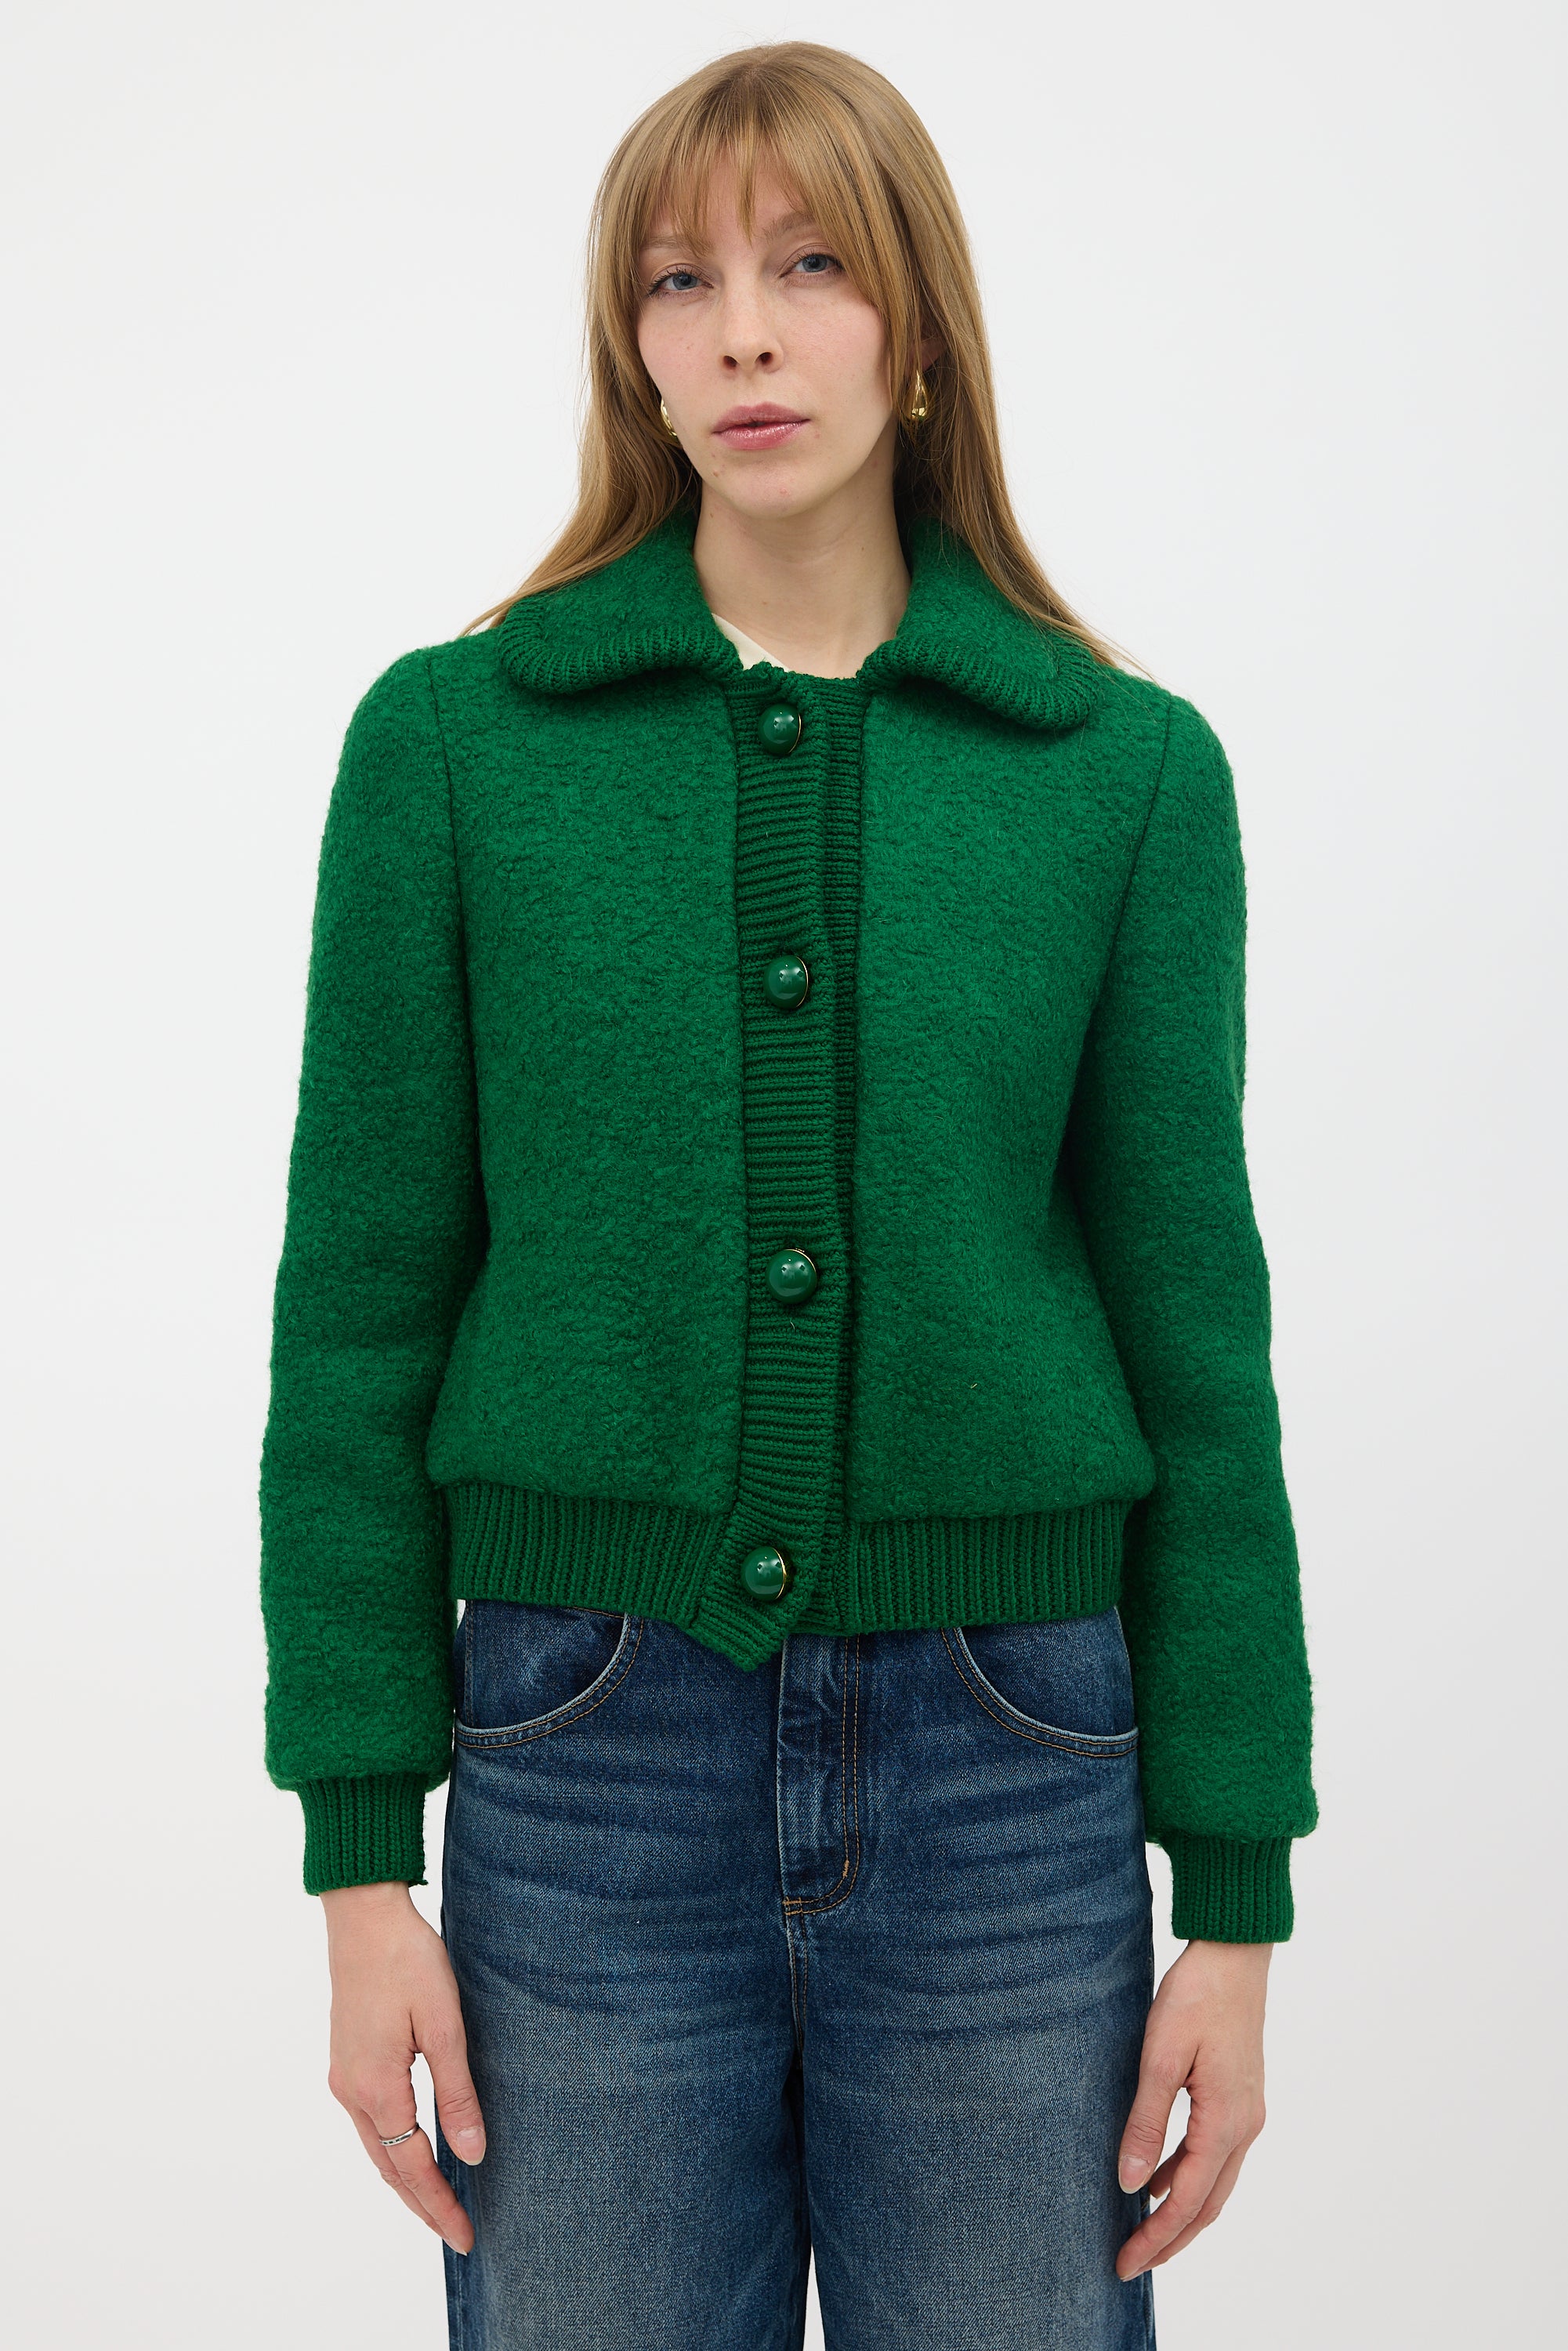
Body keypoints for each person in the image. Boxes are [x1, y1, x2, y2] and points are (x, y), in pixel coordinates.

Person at [259, 39, 1316, 2349]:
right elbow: (355, 1320)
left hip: (1017, 1771)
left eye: (811, 265)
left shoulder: (1118, 774)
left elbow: (1195, 1343)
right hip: (582, 1759)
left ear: (917, 329)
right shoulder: (453, 749)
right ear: (628, 351)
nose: (742, 332)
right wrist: (360, 1858)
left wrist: (1234, 1898)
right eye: (679, 280)